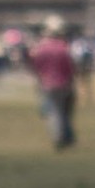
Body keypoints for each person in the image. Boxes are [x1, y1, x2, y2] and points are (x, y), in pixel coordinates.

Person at [28, 15, 77, 150]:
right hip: (64, 84)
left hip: (48, 84)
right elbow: (70, 67)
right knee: (64, 111)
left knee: (54, 112)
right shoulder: (63, 48)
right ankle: (65, 136)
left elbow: (36, 66)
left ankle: (59, 137)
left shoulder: (41, 49)